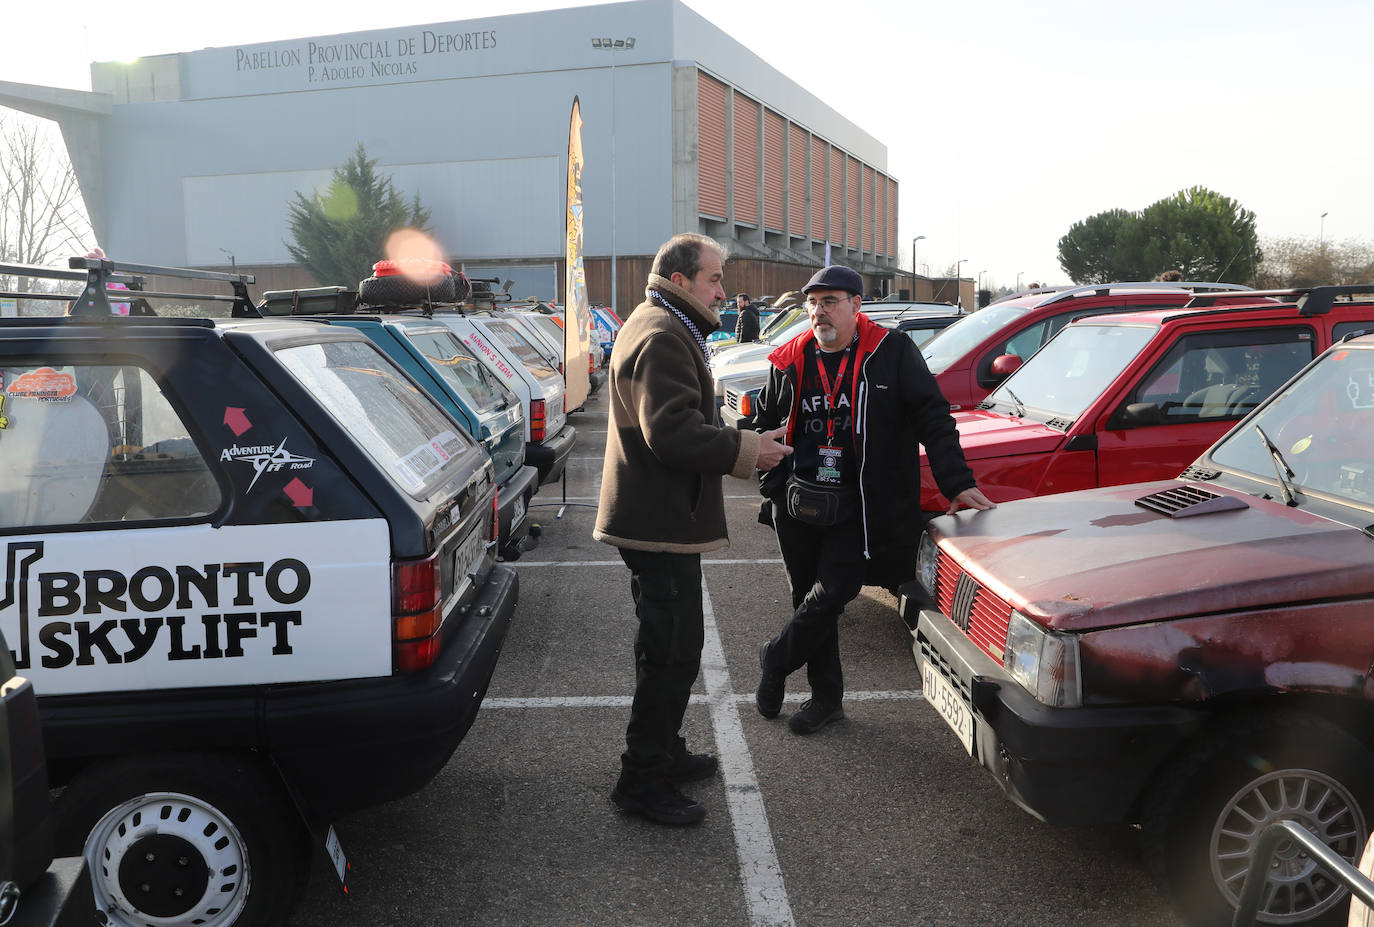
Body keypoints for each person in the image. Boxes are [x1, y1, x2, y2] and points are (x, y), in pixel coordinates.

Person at [594, 233, 792, 824]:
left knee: (665, 646)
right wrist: (746, 447)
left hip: (656, 518)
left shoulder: (663, 322)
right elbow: (671, 433)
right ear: (680, 280)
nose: (723, 291)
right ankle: (642, 777)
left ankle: (662, 751)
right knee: (673, 651)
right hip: (658, 522)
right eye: (714, 279)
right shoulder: (662, 333)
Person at [752, 264, 995, 735]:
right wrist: (764, 458)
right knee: (806, 596)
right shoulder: (790, 358)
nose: (819, 312)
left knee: (835, 592)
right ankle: (826, 698)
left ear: (857, 306)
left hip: (859, 503)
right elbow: (764, 422)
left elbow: (934, 416)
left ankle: (776, 658)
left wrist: (956, 481)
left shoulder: (891, 352)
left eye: (831, 301)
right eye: (813, 303)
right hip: (799, 499)